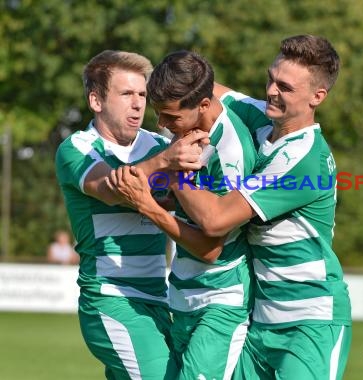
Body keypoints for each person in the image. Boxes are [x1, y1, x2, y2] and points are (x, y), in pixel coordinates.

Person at [109, 35, 352, 379]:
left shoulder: (303, 159)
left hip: (310, 318)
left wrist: (175, 166)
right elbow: (202, 85)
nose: (271, 90)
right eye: (270, 78)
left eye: (285, 87)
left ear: (317, 97)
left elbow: (215, 220)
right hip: (262, 318)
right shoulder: (256, 113)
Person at [55, 50, 208, 380]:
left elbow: (184, 201)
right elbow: (112, 189)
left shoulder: (157, 144)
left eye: (142, 94)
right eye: (126, 94)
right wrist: (167, 161)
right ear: (96, 101)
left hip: (161, 298)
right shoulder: (78, 148)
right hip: (111, 298)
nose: (138, 103)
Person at [109, 50, 258, 380]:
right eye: (159, 115)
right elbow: (175, 198)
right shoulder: (183, 134)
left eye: (171, 117)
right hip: (181, 295)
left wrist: (146, 203)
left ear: (203, 106)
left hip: (221, 300)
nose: (162, 124)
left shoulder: (231, 150)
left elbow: (210, 248)